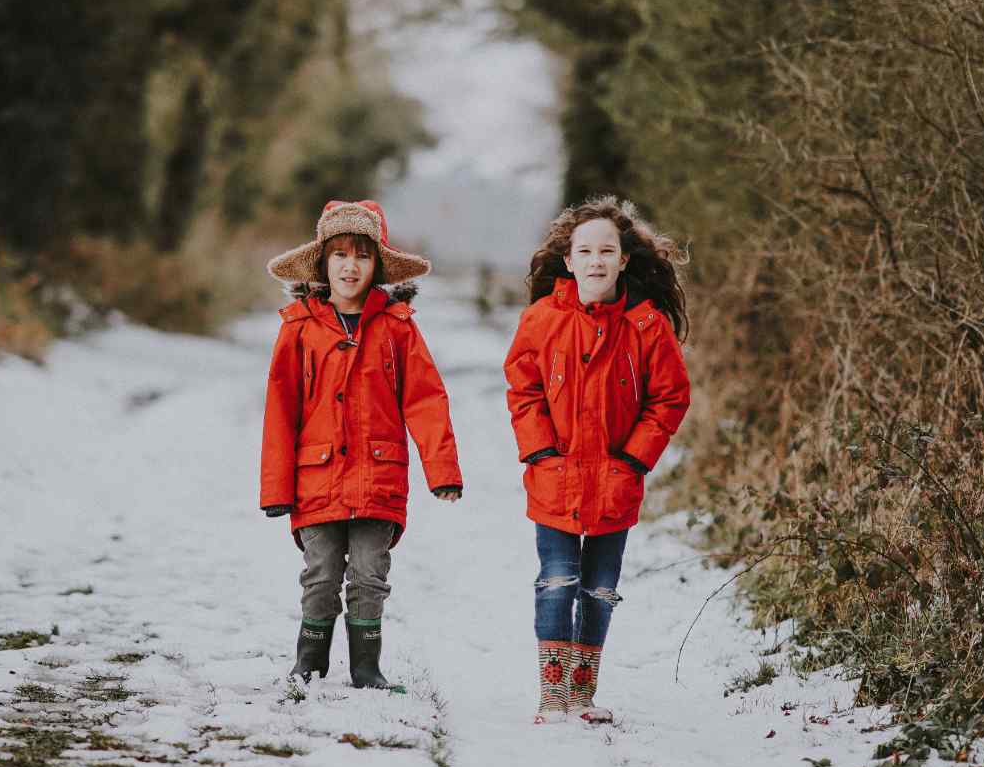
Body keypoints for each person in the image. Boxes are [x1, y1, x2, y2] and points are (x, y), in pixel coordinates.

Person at [260, 199, 463, 690]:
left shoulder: (398, 328)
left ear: (378, 267)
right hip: (316, 478)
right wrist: (275, 489)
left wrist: (443, 472)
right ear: (322, 264)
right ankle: (309, 662)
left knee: (371, 574)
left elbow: (426, 400)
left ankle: (366, 668)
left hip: (379, 478)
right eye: (340, 255)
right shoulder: (299, 328)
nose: (350, 267)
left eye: (363, 256)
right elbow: (281, 410)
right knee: (321, 573)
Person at [503, 196, 691, 723]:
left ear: (624, 259)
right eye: (585, 251)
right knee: (557, 581)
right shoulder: (541, 320)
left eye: (607, 251)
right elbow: (523, 388)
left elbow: (671, 397)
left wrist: (633, 459)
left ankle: (582, 695)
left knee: (600, 590)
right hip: (554, 477)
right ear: (568, 260)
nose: (596, 261)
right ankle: (552, 695)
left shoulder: (646, 326)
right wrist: (540, 450)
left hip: (615, 481)